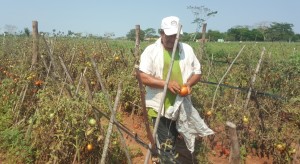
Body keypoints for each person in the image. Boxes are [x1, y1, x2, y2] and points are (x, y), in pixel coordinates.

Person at [138, 16, 214, 164]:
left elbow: (197, 72)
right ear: (161, 33)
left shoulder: (187, 49)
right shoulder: (151, 51)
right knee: (167, 145)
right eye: (169, 36)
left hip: (181, 105)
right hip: (159, 105)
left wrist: (189, 84)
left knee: (180, 138)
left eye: (176, 36)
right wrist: (165, 84)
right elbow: (142, 76)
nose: (173, 39)